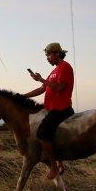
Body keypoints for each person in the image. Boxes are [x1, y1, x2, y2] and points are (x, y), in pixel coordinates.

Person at [23, 42, 74, 180]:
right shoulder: (54, 71)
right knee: (49, 134)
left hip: (62, 109)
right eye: (46, 55)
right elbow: (42, 89)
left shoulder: (65, 67)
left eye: (48, 55)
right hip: (52, 110)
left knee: (42, 133)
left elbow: (60, 87)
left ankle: (54, 167)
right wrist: (23, 96)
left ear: (57, 53)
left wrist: (42, 79)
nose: (47, 58)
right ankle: (59, 163)